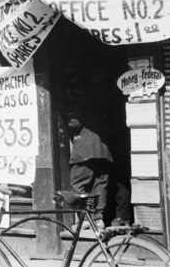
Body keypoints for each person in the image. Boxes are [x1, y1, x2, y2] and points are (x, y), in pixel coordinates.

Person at [65, 68, 113, 230]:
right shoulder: (103, 99)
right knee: (100, 184)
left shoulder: (80, 99)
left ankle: (85, 218)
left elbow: (76, 123)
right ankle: (98, 218)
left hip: (84, 150)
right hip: (103, 150)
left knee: (78, 185)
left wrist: (68, 120)